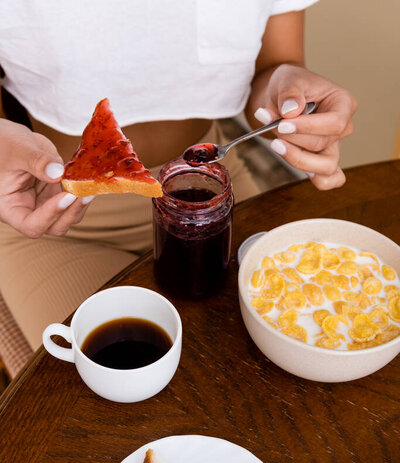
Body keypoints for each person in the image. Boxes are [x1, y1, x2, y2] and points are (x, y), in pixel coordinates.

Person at [0, 0, 356, 351]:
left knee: (285, 338)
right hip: (52, 207)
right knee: (132, 367)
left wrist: (289, 92)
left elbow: (276, 64)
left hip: (211, 194)